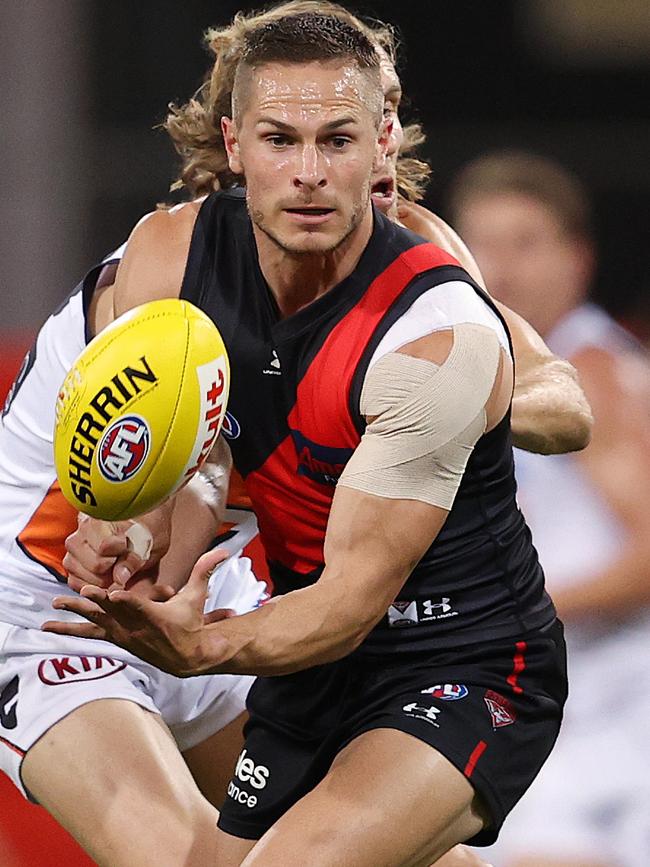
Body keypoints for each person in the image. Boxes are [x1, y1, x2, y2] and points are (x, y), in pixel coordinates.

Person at [44, 12, 573, 867]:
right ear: (234, 144)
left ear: (383, 148)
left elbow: (351, 600)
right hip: (311, 666)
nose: (309, 174)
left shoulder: (433, 335)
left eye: (337, 140)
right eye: (280, 140)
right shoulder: (174, 259)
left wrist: (202, 646)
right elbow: (199, 459)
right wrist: (135, 541)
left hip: (460, 659)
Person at [449, 150, 650, 867]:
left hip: (611, 717)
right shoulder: (506, 381)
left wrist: (509, 616)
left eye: (525, 243)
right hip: (559, 709)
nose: (499, 270)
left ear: (578, 258)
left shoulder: (592, 373)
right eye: (482, 245)